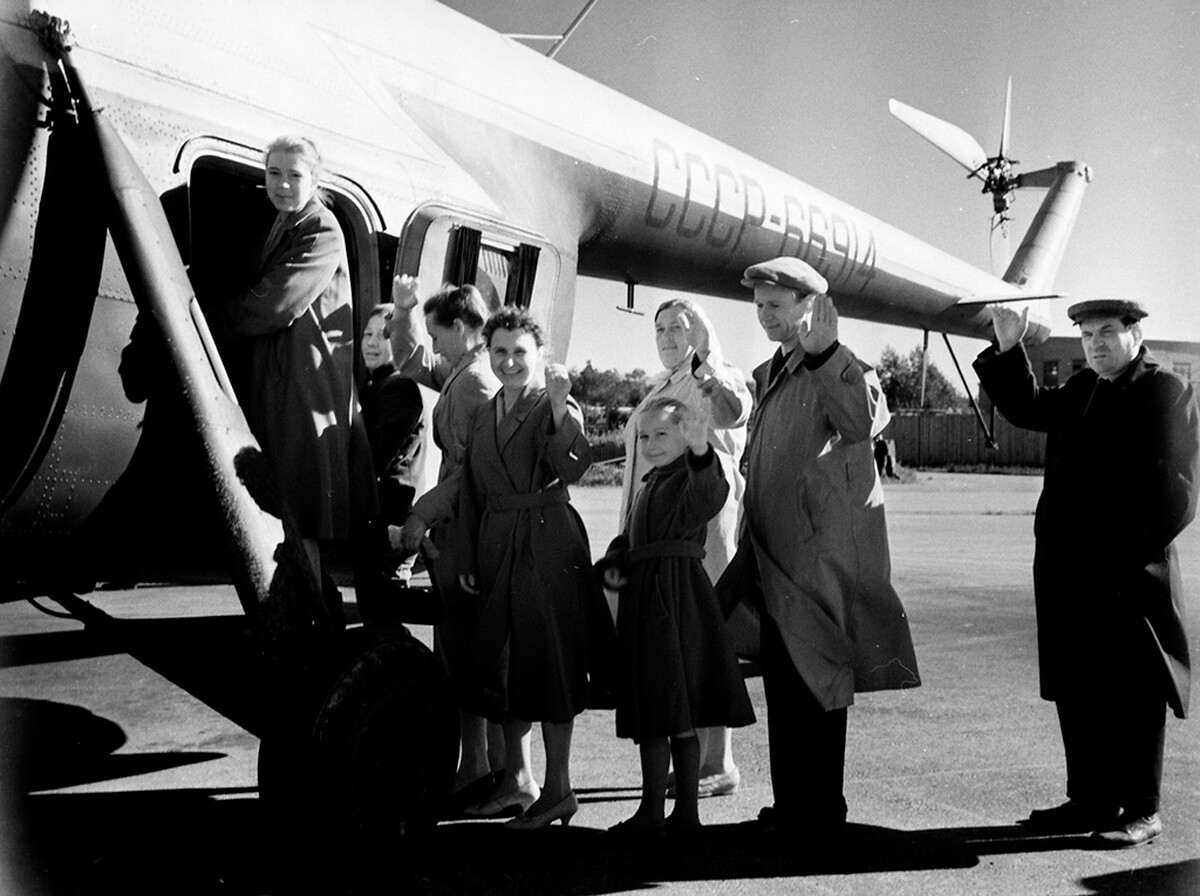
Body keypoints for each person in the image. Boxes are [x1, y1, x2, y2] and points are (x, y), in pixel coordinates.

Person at [973, 299, 1200, 847]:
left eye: (1107, 332)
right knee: (1078, 686)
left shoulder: (1165, 390)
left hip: (1128, 575)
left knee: (1136, 692)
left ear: (1134, 333)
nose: (1095, 344)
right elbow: (1026, 408)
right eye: (1086, 336)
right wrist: (1009, 345)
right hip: (1067, 571)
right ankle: (1090, 799)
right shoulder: (1082, 388)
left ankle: (1143, 809)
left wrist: (1124, 554)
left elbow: (1181, 490)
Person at [726, 256, 920, 838]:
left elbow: (864, 422)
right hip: (772, 555)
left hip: (814, 563)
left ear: (812, 307)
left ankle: (819, 814)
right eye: (758, 306)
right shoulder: (768, 373)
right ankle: (794, 808)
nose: (764, 316)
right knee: (786, 689)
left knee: (818, 683)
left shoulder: (842, 365)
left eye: (776, 306)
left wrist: (827, 354)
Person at [401, 306, 600, 830]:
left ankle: (559, 789)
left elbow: (572, 465)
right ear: (487, 352)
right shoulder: (487, 412)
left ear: (539, 356)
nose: (510, 362)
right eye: (501, 352)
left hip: (546, 542)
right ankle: (519, 781)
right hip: (497, 545)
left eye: (520, 352)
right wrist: (434, 527)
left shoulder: (551, 403)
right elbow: (470, 487)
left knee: (550, 665)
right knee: (505, 665)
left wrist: (560, 408)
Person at [207, 135, 374, 613]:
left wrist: (210, 323)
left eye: (294, 175)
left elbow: (276, 303)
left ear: (315, 180)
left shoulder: (322, 229)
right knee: (288, 506)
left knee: (299, 507)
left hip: (304, 388)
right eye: (273, 174)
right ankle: (306, 606)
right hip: (280, 379)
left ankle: (311, 616)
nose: (281, 184)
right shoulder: (283, 223)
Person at [600, 397, 755, 841]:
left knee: (677, 710)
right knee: (653, 711)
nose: (649, 443)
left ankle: (684, 812)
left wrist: (703, 450)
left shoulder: (691, 477)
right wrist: (615, 560)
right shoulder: (649, 483)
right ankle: (652, 810)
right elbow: (630, 535)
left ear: (688, 437)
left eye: (662, 434)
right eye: (643, 436)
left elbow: (712, 494)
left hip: (676, 602)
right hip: (646, 600)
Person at [619, 298, 753, 798]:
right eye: (660, 328)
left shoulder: (716, 374)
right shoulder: (662, 385)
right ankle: (697, 757)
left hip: (701, 527)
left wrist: (706, 370)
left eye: (679, 326)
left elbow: (733, 412)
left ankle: (719, 762)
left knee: (707, 640)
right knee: (679, 642)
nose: (667, 336)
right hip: (658, 529)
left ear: (702, 330)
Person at [387, 277, 503, 805]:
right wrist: (408, 310)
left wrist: (422, 515)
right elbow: (411, 359)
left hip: (470, 521)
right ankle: (484, 766)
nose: (433, 346)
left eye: (438, 334)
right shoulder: (462, 369)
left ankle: (484, 767)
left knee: (466, 643)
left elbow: (476, 470)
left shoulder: (477, 381)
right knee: (464, 643)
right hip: (462, 518)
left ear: (460, 329)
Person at [359, 303, 425, 592]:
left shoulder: (400, 387)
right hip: (381, 524)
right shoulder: (377, 384)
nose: (372, 342)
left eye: (384, 336)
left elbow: (374, 455)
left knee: (385, 613)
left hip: (392, 524)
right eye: (367, 334)